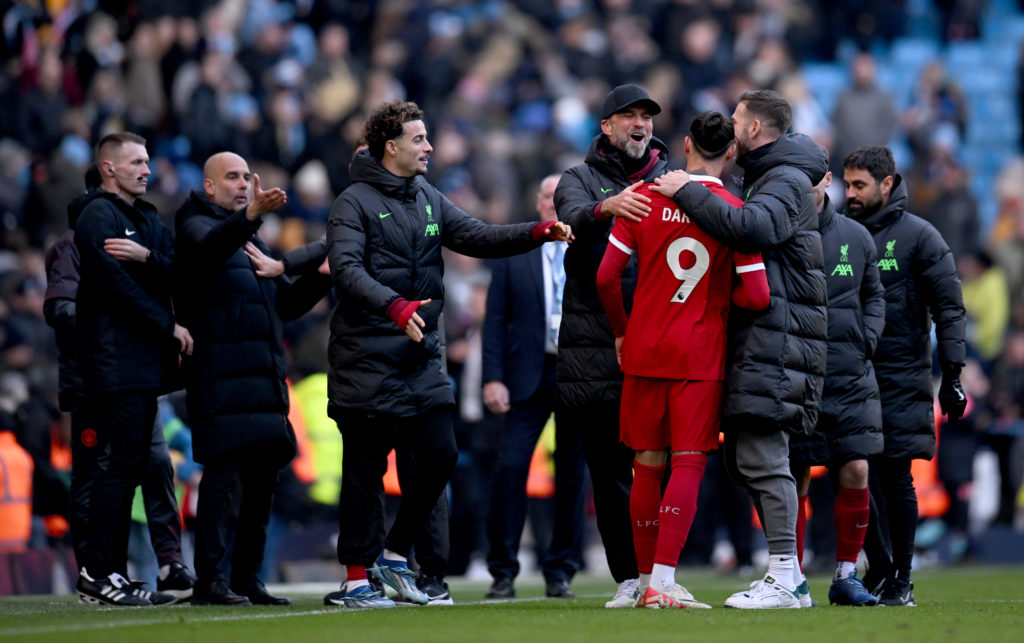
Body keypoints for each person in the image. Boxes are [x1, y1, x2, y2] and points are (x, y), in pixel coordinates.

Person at [323, 100, 573, 610]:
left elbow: (477, 235)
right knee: (365, 472)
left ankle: (394, 555)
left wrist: (536, 232)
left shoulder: (428, 197)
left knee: (441, 453)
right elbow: (345, 270)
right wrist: (393, 306)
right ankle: (354, 580)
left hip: (419, 357)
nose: (429, 147)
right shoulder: (354, 202)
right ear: (390, 146)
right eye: (419, 139)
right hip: (366, 357)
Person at [652, 89, 829, 609]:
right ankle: (786, 573)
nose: (730, 126)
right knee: (748, 459)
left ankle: (784, 575)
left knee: (763, 456)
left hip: (779, 338)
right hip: (771, 337)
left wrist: (686, 189)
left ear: (753, 130)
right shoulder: (774, 177)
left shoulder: (785, 180)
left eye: (736, 119)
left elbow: (752, 229)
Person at [596, 111, 771, 609]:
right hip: (699, 353)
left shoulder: (644, 200)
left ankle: (643, 579)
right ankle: (663, 582)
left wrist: (623, 331)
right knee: (689, 462)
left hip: (644, 347)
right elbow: (757, 295)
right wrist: (715, 307)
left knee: (646, 463)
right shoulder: (734, 211)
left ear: (687, 145)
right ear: (731, 153)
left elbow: (607, 277)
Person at [174, 151, 332, 606]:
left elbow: (285, 305)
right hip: (221, 381)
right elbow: (207, 252)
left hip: (262, 383)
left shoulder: (250, 242)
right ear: (208, 186)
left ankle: (246, 578)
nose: (243, 183)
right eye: (232, 177)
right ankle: (210, 581)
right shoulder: (195, 227)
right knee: (222, 484)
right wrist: (250, 217)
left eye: (247, 177)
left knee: (263, 487)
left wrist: (320, 277)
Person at [44, 167, 196, 605]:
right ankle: (97, 571)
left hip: (136, 376)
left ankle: (169, 563)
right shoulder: (73, 248)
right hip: (93, 381)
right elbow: (59, 309)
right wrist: (111, 323)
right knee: (97, 475)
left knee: (153, 464)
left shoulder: (137, 242)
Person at [553, 83, 668, 608]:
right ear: (607, 126)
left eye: (646, 115)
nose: (640, 123)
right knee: (606, 468)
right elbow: (572, 216)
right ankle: (630, 576)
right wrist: (607, 209)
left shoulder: (672, 180)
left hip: (660, 341)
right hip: (594, 345)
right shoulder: (578, 180)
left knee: (660, 462)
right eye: (629, 116)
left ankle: (660, 572)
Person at [841, 145, 967, 606]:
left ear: (887, 184)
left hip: (900, 374)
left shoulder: (920, 237)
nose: (850, 194)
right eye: (847, 184)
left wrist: (952, 373)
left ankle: (902, 577)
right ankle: (878, 565)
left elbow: (950, 308)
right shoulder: (839, 233)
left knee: (894, 475)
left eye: (860, 186)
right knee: (853, 473)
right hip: (851, 374)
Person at [481, 174, 586, 600]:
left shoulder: (588, 245)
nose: (554, 203)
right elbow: (493, 321)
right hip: (527, 372)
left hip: (576, 372)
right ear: (539, 203)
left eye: (561, 197)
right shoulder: (517, 249)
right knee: (510, 469)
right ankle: (502, 571)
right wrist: (492, 377)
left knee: (573, 476)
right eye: (547, 196)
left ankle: (560, 569)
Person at [787, 169, 886, 607]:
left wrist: (867, 339)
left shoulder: (856, 235)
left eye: (811, 180)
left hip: (850, 377)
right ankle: (790, 574)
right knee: (794, 477)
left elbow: (875, 295)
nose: (804, 188)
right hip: (798, 376)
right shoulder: (780, 229)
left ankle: (847, 574)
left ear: (826, 181)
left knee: (857, 469)